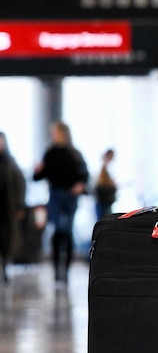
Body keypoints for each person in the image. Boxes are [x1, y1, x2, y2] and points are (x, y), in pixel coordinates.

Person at [33, 122, 89, 284]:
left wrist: (80, 185)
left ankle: (66, 270)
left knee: (68, 231)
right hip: (56, 195)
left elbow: (84, 175)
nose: (53, 135)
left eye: (56, 132)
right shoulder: (50, 154)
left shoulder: (74, 154)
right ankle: (57, 269)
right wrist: (37, 170)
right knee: (58, 230)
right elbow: (38, 177)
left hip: (70, 196)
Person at [0, 132, 26, 283]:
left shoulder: (11, 163)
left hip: (6, 209)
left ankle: (5, 268)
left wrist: (20, 206)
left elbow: (20, 184)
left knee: (6, 239)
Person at [94, 149, 117, 220]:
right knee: (104, 223)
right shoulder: (103, 167)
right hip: (103, 200)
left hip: (105, 200)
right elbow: (101, 182)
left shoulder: (107, 167)